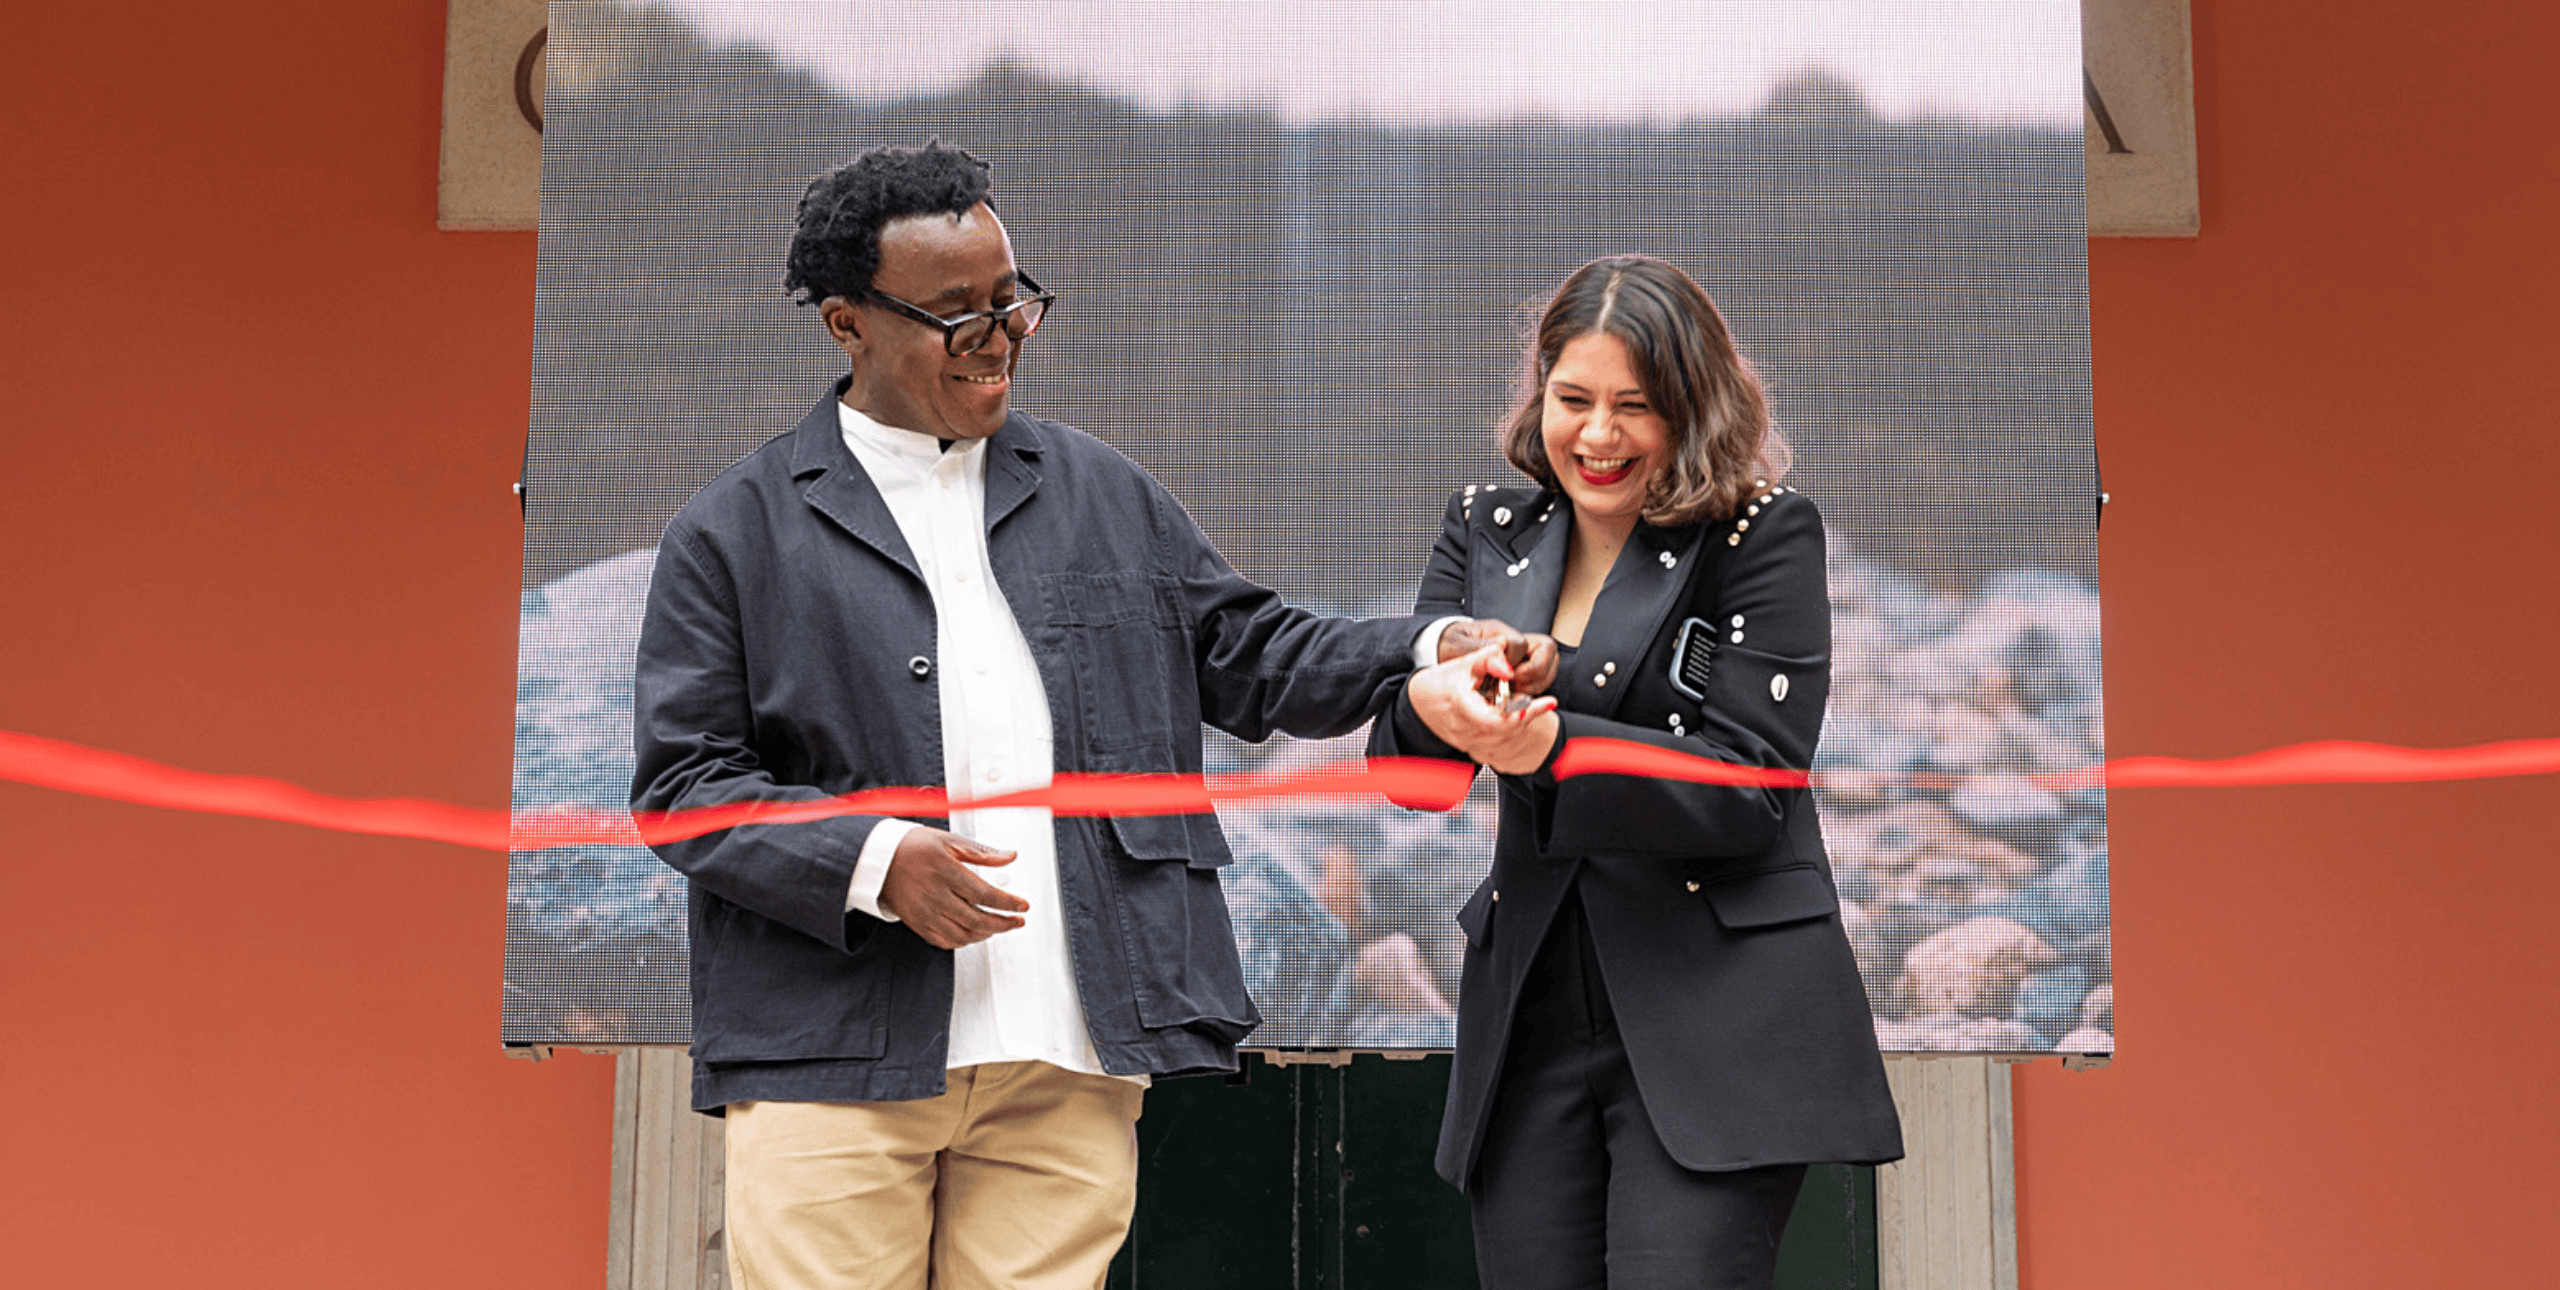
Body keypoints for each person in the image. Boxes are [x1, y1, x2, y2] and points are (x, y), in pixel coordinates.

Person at [629, 140, 1549, 1290]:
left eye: (1011, 301)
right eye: (954, 313)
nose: (999, 334)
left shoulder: (1103, 490)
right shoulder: (730, 531)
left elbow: (1256, 656)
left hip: (1066, 1048)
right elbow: (684, 791)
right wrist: (875, 859)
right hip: (831, 1052)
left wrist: (1429, 644)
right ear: (844, 324)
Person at [1372, 255, 1904, 1289]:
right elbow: (1412, 776)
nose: (1597, 436)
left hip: (1719, 1020)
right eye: (1573, 400)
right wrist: (1440, 696)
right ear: (1540, 397)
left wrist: (1555, 743)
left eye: (1635, 407)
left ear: (1694, 408)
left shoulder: (1762, 533)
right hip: (1528, 1017)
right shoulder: (1483, 529)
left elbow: (1752, 787)